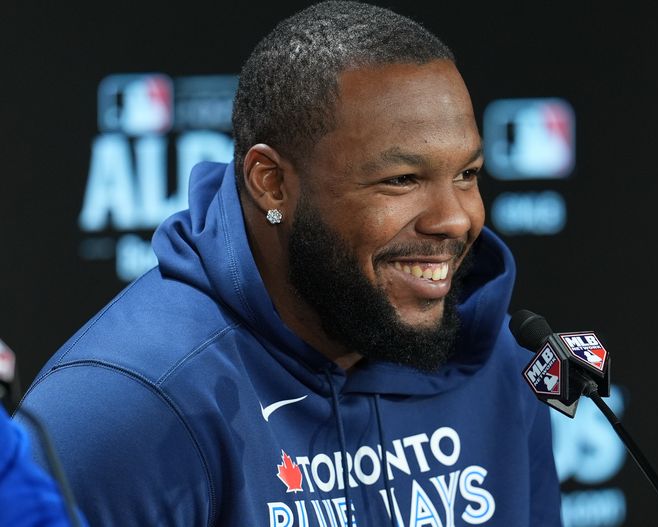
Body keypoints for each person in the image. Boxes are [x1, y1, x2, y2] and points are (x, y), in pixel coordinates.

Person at [17, 1, 561, 525]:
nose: (456, 219)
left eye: (467, 174)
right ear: (272, 183)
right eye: (402, 179)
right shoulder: (123, 406)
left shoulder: (495, 359)